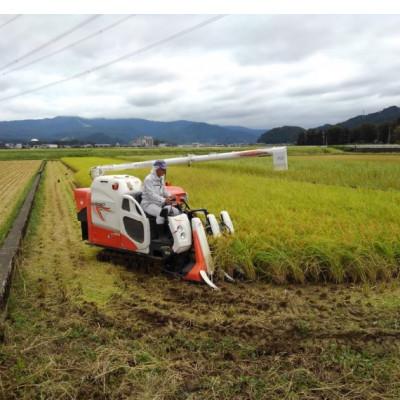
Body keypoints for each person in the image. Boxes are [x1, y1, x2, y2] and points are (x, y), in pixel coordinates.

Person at [141, 160, 180, 225]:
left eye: (165, 169)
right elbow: (151, 195)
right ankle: (161, 234)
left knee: (176, 211)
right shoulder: (148, 179)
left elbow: (164, 190)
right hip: (148, 204)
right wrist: (164, 200)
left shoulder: (161, 178)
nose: (164, 172)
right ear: (156, 169)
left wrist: (170, 196)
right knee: (161, 214)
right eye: (162, 169)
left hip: (159, 203)